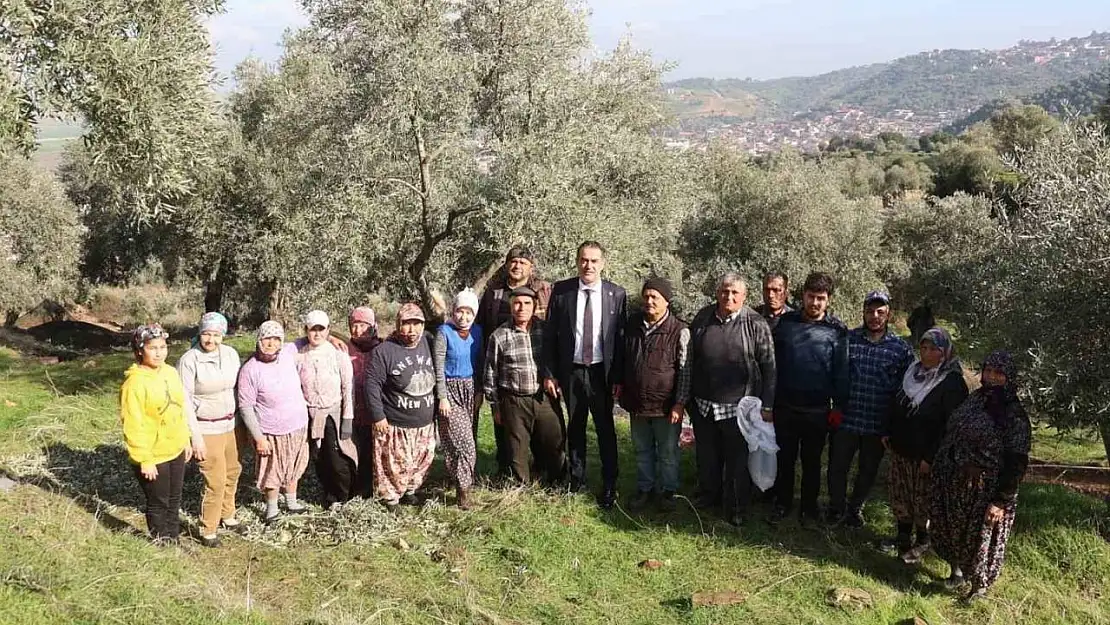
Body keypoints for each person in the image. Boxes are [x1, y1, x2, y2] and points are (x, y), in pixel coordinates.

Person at [930, 350, 1031, 603]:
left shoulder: (1014, 415)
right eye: (988, 371)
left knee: (981, 540)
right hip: (957, 481)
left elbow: (1016, 462)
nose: (992, 377)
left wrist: (1001, 501)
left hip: (985, 489)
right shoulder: (976, 399)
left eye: (999, 373)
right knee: (955, 532)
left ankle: (979, 587)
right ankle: (958, 574)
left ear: (1009, 377)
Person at [683, 273, 776, 526]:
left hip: (739, 408)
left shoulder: (755, 323)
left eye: (735, 293)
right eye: (725, 291)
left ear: (744, 297)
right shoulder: (703, 317)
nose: (729, 297)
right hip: (704, 405)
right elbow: (690, 360)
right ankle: (709, 496)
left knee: (737, 461)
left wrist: (767, 404)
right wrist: (687, 398)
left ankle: (736, 507)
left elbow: (769, 367)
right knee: (707, 457)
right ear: (717, 293)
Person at [543, 241, 628, 509]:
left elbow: (621, 339)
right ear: (577, 261)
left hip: (601, 374)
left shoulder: (617, 294)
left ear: (603, 263)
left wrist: (619, 378)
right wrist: (550, 372)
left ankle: (610, 483)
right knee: (575, 427)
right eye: (583, 260)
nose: (588, 265)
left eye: (593, 261)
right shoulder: (562, 291)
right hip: (572, 372)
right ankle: (576, 479)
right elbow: (549, 336)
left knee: (605, 429)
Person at [826, 291, 913, 527]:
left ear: (888, 315)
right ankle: (836, 508)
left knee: (867, 471)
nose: (874, 316)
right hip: (847, 419)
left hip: (878, 424)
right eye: (870, 311)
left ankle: (855, 510)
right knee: (838, 467)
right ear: (863, 312)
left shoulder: (900, 349)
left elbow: (905, 388)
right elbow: (835, 374)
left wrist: (895, 425)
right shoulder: (848, 340)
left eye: (880, 312)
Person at [770, 271, 849, 525]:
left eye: (821, 298)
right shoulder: (786, 323)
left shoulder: (837, 330)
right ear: (802, 295)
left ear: (828, 300)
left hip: (817, 410)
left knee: (812, 462)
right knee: (785, 459)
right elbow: (772, 364)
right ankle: (782, 503)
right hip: (785, 406)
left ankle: (808, 507)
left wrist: (839, 406)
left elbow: (842, 370)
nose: (815, 303)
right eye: (811, 296)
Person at [885, 327, 968, 563]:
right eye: (923, 347)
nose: (926, 353)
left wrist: (931, 458)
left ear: (944, 353)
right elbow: (896, 402)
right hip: (901, 448)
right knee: (901, 495)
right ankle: (902, 537)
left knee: (923, 500)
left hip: (925, 456)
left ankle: (923, 542)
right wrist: (888, 432)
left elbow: (950, 427)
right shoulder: (912, 372)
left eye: (933, 349)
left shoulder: (952, 383)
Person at [477, 246, 552, 477]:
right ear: (507, 264)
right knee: (503, 427)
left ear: (531, 266)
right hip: (502, 369)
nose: (517, 266)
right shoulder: (494, 292)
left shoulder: (543, 290)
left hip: (537, 369)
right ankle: (506, 468)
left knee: (542, 427)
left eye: (522, 262)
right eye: (513, 261)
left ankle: (540, 468)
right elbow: (480, 327)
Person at [620, 277, 691, 513]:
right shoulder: (632, 325)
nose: (649, 301)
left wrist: (679, 403)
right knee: (642, 450)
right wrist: (619, 383)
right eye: (646, 296)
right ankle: (645, 489)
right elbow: (624, 359)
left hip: (666, 405)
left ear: (666, 301)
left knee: (668, 452)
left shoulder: (680, 330)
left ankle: (668, 492)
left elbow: (685, 370)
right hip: (637, 402)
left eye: (655, 297)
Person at [484, 287, 567, 484]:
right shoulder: (499, 335)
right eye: (517, 303)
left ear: (534, 306)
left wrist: (556, 379)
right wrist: (495, 407)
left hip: (544, 398)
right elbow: (490, 373)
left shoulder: (546, 330)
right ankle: (521, 488)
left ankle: (558, 483)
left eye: (527, 303)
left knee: (554, 443)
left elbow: (559, 359)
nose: (522, 308)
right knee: (516, 452)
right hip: (514, 401)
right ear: (511, 307)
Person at [120, 324, 193, 545]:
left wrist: (186, 439)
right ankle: (161, 541)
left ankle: (174, 538)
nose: (159, 352)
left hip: (175, 447)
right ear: (140, 350)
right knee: (158, 501)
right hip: (153, 455)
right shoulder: (134, 383)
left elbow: (179, 409)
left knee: (174, 498)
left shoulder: (170, 373)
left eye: (163, 347)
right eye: (153, 348)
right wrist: (144, 459)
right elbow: (133, 423)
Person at [178, 312, 242, 548]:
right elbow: (183, 399)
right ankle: (209, 528)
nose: (210, 339)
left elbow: (238, 389)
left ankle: (228, 515)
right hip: (205, 426)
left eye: (216, 335)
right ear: (199, 333)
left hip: (231, 424)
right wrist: (195, 437)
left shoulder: (231, 355)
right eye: (206, 334)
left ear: (223, 335)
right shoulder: (189, 360)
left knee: (233, 471)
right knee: (214, 479)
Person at [237, 321, 312, 524]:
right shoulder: (250, 370)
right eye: (267, 339)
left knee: (293, 465)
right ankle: (272, 509)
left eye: (276, 339)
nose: (271, 343)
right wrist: (259, 438)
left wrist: (334, 339)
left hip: (296, 424)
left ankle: (291, 501)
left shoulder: (288, 354)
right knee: (272, 469)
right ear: (259, 340)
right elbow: (246, 407)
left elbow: (311, 337)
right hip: (270, 430)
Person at [366, 303, 437, 510]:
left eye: (417, 324)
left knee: (421, 459)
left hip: (424, 422)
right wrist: (378, 416)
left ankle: (409, 491)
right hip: (396, 423)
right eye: (406, 324)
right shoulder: (384, 351)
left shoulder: (429, 342)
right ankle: (390, 498)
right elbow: (372, 385)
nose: (412, 330)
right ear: (398, 325)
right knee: (394, 464)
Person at [296, 310, 359, 507]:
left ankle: (344, 495)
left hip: (334, 413)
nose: (317, 334)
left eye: (321, 329)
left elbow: (348, 386)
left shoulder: (338, 354)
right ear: (306, 330)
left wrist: (348, 417)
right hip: (311, 415)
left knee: (337, 458)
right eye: (312, 329)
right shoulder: (300, 356)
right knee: (319, 458)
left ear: (328, 330)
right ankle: (329, 495)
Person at [434, 289, 483, 509]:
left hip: (470, 389)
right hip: (450, 391)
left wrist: (480, 392)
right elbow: (438, 367)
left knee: (461, 442)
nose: (463, 317)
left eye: (468, 312)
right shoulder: (444, 332)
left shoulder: (478, 332)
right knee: (466, 445)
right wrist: (442, 397)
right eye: (459, 311)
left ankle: (459, 481)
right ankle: (464, 493)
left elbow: (480, 364)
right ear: (453, 311)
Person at [347, 306, 382, 497]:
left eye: (363, 325)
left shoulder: (381, 348)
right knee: (355, 449)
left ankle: (373, 487)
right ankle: (357, 487)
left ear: (373, 326)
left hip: (376, 412)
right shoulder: (344, 348)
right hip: (352, 411)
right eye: (354, 324)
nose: (358, 330)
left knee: (373, 450)